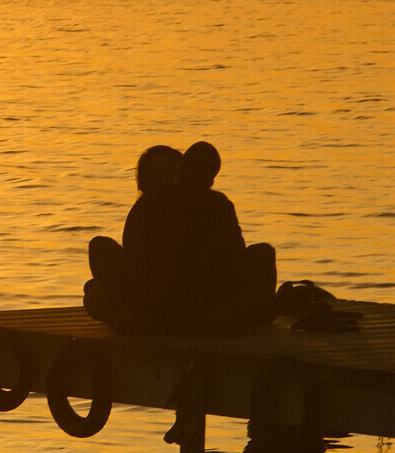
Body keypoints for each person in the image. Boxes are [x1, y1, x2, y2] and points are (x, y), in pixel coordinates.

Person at [84, 139, 276, 335]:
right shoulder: (214, 203)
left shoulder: (149, 206)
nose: (167, 179)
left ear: (180, 170)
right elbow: (135, 262)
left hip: (184, 303)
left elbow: (234, 259)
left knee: (96, 284)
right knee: (99, 265)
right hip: (179, 303)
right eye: (159, 175)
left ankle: (145, 321)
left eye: (170, 170)